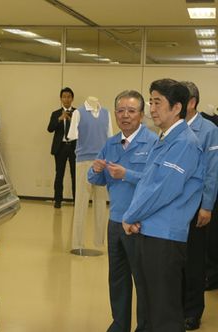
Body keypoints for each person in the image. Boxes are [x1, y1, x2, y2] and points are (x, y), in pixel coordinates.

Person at [122, 79, 204, 332]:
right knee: (148, 308)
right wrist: (135, 216)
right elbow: (148, 182)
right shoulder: (165, 139)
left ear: (176, 107)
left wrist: (130, 216)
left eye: (157, 102)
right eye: (151, 101)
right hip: (149, 231)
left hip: (165, 238)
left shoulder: (184, 143)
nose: (152, 108)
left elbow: (163, 189)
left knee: (164, 312)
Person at [88, 90, 158, 332]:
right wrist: (96, 170)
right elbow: (95, 180)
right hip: (115, 221)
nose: (125, 116)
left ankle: (145, 326)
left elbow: (156, 183)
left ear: (141, 115)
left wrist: (127, 174)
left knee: (142, 279)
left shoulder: (152, 143)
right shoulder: (110, 143)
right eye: (120, 111)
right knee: (117, 278)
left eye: (131, 111)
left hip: (139, 224)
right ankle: (119, 324)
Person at [180, 81, 218, 331]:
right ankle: (173, 305)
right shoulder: (170, 127)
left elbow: (212, 170)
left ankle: (192, 312)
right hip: (172, 207)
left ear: (191, 102)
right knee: (174, 261)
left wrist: (206, 205)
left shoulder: (209, 130)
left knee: (194, 262)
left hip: (196, 207)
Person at [68, 96, 113, 250]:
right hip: (83, 162)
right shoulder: (78, 113)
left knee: (101, 203)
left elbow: (110, 137)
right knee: (81, 203)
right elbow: (72, 135)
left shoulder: (106, 113)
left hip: (102, 162)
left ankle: (99, 242)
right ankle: (77, 242)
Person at [47, 87, 77, 209]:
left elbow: (82, 130)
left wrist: (72, 120)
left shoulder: (77, 113)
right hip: (60, 148)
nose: (66, 99)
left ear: (72, 98)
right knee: (59, 174)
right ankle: (58, 200)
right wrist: (60, 119)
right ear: (61, 98)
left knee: (75, 175)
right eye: (64, 96)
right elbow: (50, 129)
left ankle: (77, 200)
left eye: (69, 96)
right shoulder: (55, 113)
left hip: (74, 148)